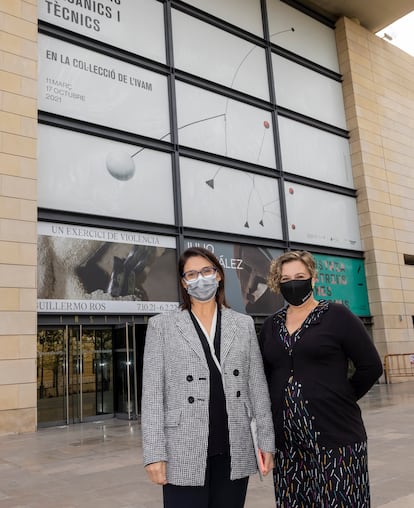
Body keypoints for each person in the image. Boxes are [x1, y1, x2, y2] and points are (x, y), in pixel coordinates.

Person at [141, 246, 275, 508]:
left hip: (234, 447)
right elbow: (153, 395)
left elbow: (257, 387)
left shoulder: (243, 324)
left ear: (219, 275)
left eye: (206, 271)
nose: (200, 279)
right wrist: (154, 454)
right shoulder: (162, 326)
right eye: (191, 274)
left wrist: (266, 442)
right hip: (183, 450)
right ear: (183, 282)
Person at [259, 250, 383, 507]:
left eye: (300, 276)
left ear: (313, 279)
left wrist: (341, 397)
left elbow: (370, 366)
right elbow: (264, 375)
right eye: (286, 279)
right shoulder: (271, 325)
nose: (293, 282)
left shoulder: (338, 316)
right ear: (277, 283)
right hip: (289, 448)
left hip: (337, 440)